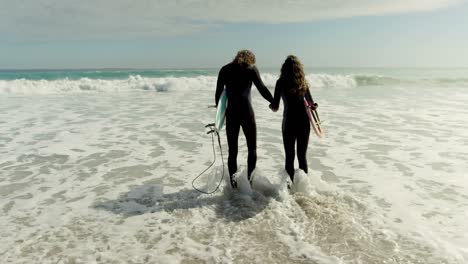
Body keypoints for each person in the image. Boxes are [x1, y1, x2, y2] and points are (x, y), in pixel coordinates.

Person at [215, 50, 273, 188]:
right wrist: (273, 102)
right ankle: (250, 183)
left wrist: (219, 113)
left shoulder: (225, 69)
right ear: (251, 59)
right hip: (247, 113)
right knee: (252, 148)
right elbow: (262, 88)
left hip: (232, 113)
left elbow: (218, 93)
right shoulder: (251, 69)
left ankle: (234, 185)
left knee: (232, 151)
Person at [269, 55, 317, 183]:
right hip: (304, 123)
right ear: (299, 68)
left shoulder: (281, 82)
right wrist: (313, 107)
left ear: (284, 68)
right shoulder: (303, 83)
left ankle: (289, 190)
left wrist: (271, 105)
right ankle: (304, 189)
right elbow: (312, 104)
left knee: (289, 157)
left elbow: (275, 106)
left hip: (289, 122)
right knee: (302, 157)